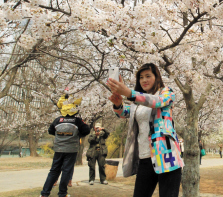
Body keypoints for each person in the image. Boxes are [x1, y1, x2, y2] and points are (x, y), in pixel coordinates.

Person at [108, 63, 184, 197]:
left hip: (166, 156)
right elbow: (125, 113)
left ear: (157, 77)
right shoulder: (138, 100)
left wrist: (128, 92)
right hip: (144, 157)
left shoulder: (165, 92)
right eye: (141, 77)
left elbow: (157, 101)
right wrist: (118, 104)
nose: (144, 80)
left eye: (148, 76)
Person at [40, 94, 90, 197]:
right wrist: (77, 135)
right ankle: (62, 193)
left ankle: (44, 194)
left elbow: (50, 131)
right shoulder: (77, 121)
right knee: (66, 171)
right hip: (71, 150)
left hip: (58, 149)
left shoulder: (57, 120)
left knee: (54, 171)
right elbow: (86, 130)